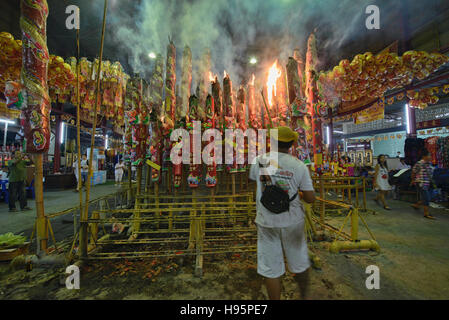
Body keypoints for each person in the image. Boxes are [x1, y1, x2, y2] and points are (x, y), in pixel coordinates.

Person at [249, 126, 315, 300]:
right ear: (292, 144)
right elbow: (310, 198)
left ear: (272, 141)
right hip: (292, 221)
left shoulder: (259, 160)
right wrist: (297, 192)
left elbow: (254, 184)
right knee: (300, 264)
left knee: (272, 270)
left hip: (266, 221)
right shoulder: (299, 165)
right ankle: (304, 297)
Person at [411, 150, 435, 220]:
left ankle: (416, 205)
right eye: (429, 155)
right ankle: (426, 214)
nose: (430, 157)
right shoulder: (419, 163)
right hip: (421, 183)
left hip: (428, 183)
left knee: (427, 197)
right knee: (426, 198)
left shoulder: (430, 163)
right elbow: (413, 172)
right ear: (424, 156)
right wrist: (412, 180)